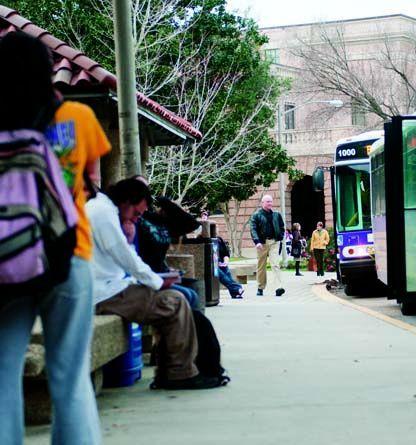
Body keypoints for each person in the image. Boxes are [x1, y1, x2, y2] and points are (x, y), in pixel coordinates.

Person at [0, 33, 107, 444]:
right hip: (68, 254)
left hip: (8, 261)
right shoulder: (77, 117)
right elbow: (90, 182)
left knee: (2, 373)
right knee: (70, 376)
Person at [86, 178, 220, 390]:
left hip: (111, 287)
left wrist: (157, 280)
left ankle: (171, 371)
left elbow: (127, 257)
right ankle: (179, 373)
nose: (137, 218)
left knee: (176, 299)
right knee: (173, 302)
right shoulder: (103, 214)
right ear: (126, 202)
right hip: (104, 293)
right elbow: (126, 259)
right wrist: (158, 282)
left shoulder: (105, 209)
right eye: (136, 213)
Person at [249, 195, 285, 296]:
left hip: (274, 242)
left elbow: (282, 226)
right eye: (268, 201)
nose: (270, 203)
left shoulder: (276, 214)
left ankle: (278, 287)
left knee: (275, 264)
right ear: (262, 203)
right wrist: (257, 242)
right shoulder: (256, 215)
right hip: (262, 243)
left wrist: (280, 237)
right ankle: (260, 287)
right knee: (261, 266)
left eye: (271, 201)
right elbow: (253, 229)